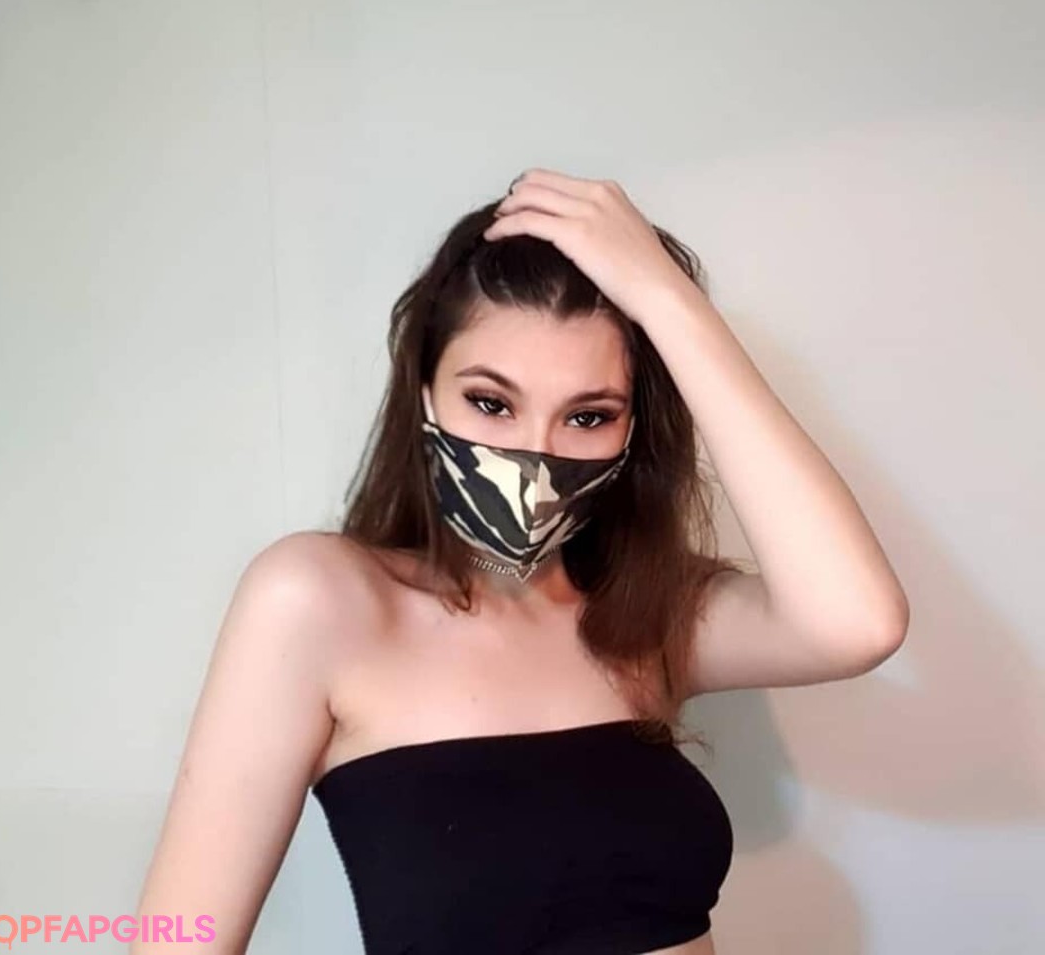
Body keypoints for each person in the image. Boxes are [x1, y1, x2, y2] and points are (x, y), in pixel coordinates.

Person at [132, 168, 910, 954]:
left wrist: (669, 302)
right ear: (425, 390)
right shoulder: (322, 601)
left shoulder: (640, 617)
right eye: (491, 402)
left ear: (632, 431)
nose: (534, 454)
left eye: (589, 415)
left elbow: (858, 624)